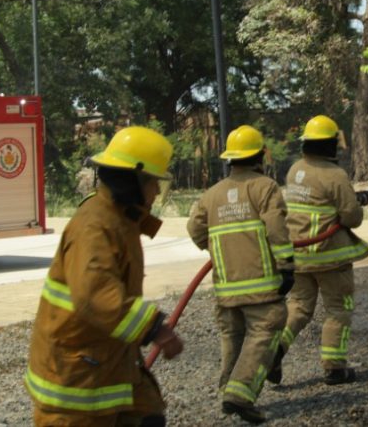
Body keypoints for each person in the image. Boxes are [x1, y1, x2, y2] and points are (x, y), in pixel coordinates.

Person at [26, 126, 184, 427]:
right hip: (75, 378)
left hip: (108, 358)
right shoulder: (95, 226)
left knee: (149, 416)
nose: (156, 191)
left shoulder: (120, 219)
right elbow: (95, 295)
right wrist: (155, 329)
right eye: (154, 182)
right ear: (134, 180)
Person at [187, 125, 294, 425]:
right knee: (266, 329)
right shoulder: (265, 187)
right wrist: (286, 265)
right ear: (260, 155)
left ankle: (228, 389)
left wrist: (218, 246)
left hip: (226, 287)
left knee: (232, 336)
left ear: (230, 159)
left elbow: (195, 230)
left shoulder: (212, 194)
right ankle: (240, 394)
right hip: (261, 284)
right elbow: (276, 228)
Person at [272, 115, 368, 386]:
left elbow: (317, 202)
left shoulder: (295, 170)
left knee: (299, 308)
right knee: (338, 309)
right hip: (330, 259)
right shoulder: (335, 175)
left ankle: (275, 350)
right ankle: (334, 367)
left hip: (298, 256)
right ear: (330, 144)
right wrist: (356, 202)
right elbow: (351, 217)